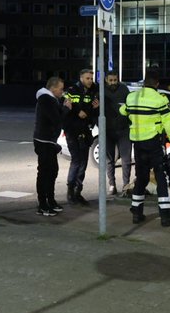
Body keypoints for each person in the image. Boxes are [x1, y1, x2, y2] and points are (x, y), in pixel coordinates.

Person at [121, 70, 170, 227]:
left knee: (141, 177)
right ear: (156, 84)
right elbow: (169, 125)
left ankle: (136, 212)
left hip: (138, 144)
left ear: (144, 82)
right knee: (161, 177)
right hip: (154, 144)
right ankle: (165, 217)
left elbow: (123, 111)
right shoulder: (160, 100)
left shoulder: (131, 97)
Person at [33, 76, 69, 216]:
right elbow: (57, 119)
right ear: (53, 88)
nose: (62, 91)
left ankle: (50, 200)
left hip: (49, 141)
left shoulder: (51, 99)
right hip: (44, 141)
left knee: (52, 171)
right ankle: (42, 205)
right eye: (61, 89)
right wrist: (66, 108)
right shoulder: (46, 100)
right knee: (45, 173)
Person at [62, 68, 98, 205]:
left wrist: (93, 110)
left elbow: (93, 111)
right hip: (72, 130)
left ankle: (78, 192)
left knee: (83, 162)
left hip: (85, 130)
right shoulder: (72, 90)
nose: (90, 80)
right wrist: (78, 112)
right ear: (81, 78)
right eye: (87, 78)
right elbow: (65, 107)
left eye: (91, 78)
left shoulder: (94, 91)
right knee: (76, 160)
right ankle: (70, 190)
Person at [102, 71, 132, 196]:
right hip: (107, 131)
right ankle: (112, 185)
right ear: (106, 80)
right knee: (109, 160)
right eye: (111, 80)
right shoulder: (101, 90)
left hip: (124, 130)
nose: (113, 82)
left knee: (126, 159)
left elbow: (130, 106)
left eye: (115, 80)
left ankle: (126, 185)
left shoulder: (124, 89)